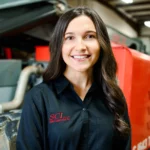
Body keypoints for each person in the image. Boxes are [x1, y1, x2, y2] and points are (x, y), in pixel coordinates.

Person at [16, 6, 131, 150]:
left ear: (101, 44)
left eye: (90, 36)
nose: (80, 46)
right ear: (60, 46)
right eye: (70, 38)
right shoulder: (39, 98)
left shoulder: (113, 96)